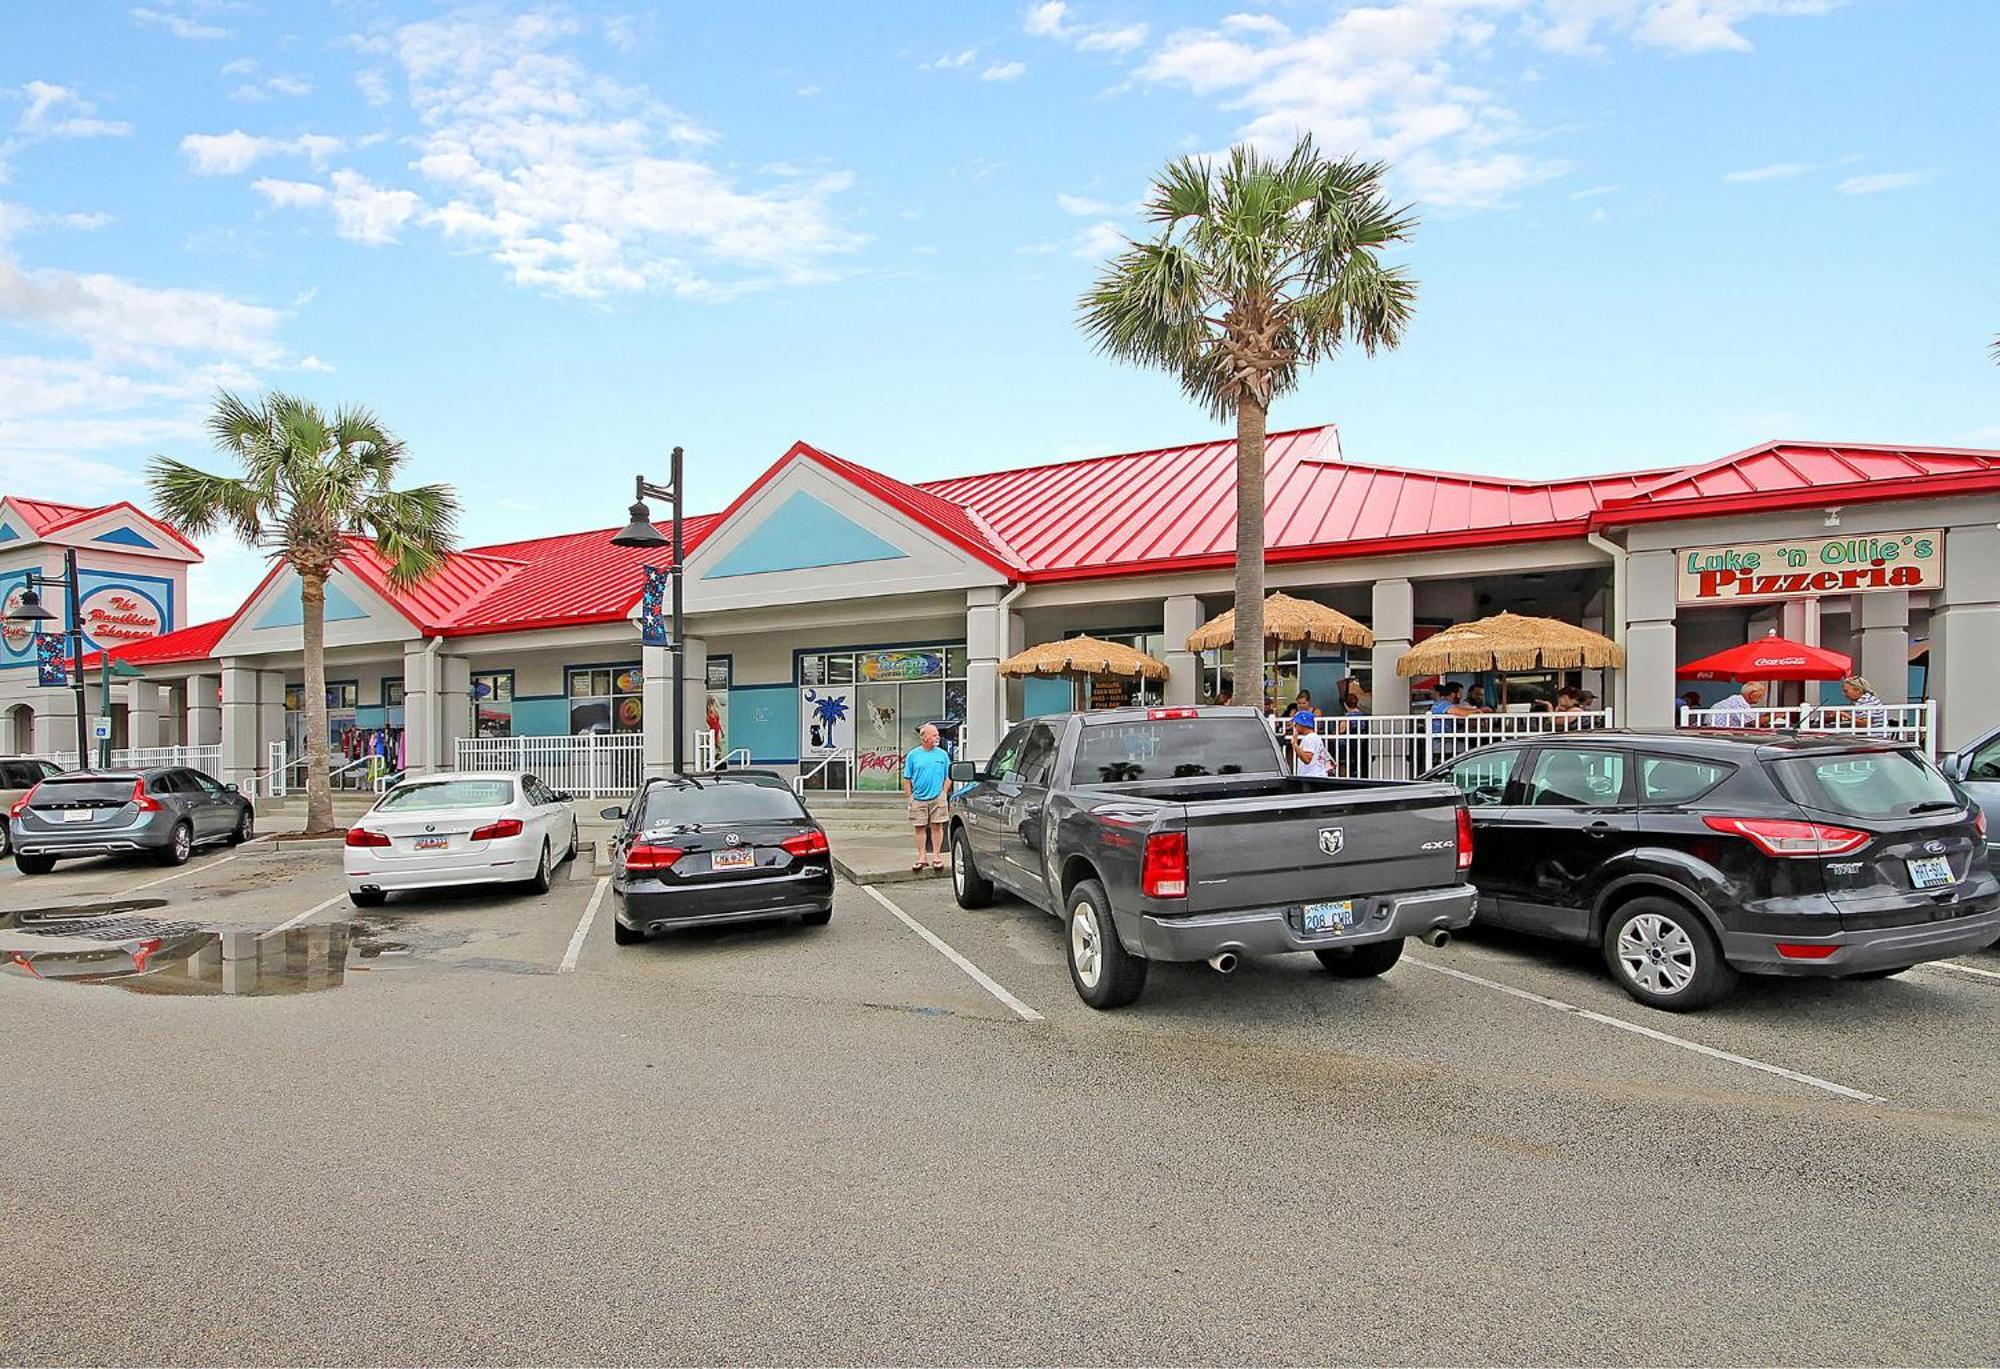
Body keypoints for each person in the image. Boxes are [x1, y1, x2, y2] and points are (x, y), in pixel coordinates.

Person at [901, 722, 954, 873]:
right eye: (934, 735)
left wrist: (944, 792)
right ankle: (922, 857)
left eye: (938, 734)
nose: (937, 737)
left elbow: (948, 775)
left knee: (937, 826)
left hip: (937, 797)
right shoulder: (913, 755)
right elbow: (907, 778)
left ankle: (937, 857)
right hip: (918, 798)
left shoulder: (942, 755)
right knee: (919, 827)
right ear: (924, 737)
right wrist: (910, 797)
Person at [1287, 711, 1329, 778]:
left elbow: (1307, 759)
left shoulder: (1309, 738)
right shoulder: (1316, 737)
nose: (1295, 726)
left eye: (1296, 723)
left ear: (1302, 724)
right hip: (1318, 775)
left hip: (1311, 777)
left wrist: (1295, 744)